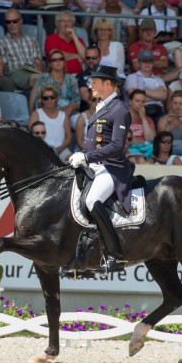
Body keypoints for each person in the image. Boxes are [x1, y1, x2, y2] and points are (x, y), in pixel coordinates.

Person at [68, 65, 131, 272]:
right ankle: (80, 256)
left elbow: (115, 147)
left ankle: (115, 256)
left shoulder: (120, 109)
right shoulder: (102, 106)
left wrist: (86, 156)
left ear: (108, 84)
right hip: (94, 165)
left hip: (111, 168)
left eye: (95, 82)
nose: (91, 85)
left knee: (91, 200)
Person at [0, 9, 44, 92]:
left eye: (14, 21)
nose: (11, 24)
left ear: (21, 21)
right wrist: (0, 66)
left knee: (43, 80)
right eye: (8, 22)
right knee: (43, 79)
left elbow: (39, 63)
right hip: (15, 72)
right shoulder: (1, 43)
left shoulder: (32, 41)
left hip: (32, 70)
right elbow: (3, 66)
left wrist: (39, 65)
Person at [29, 50, 80, 125]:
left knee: (82, 123)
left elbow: (77, 101)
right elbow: (39, 102)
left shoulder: (71, 79)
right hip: (49, 113)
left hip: (70, 113)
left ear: (64, 62)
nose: (58, 62)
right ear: (50, 64)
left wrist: (69, 109)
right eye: (54, 60)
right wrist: (58, 112)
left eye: (61, 59)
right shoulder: (43, 80)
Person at [28, 85, 72, 159]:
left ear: (56, 98)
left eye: (52, 97)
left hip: (61, 150)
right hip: (41, 150)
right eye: (45, 98)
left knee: (76, 163)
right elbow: (31, 136)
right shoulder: (36, 113)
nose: (49, 100)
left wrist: (59, 150)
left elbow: (68, 137)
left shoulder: (63, 115)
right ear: (42, 100)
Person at [124, 49, 167, 123]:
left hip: (159, 111)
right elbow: (133, 96)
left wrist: (141, 91)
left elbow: (163, 96)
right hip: (139, 110)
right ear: (139, 63)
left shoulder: (159, 79)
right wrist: (156, 96)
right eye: (144, 61)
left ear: (153, 63)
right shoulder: (132, 77)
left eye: (150, 61)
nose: (147, 63)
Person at [157, 90, 182, 156]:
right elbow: (162, 142)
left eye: (180, 103)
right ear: (171, 104)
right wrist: (168, 124)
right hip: (168, 149)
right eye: (175, 103)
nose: (178, 106)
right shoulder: (163, 120)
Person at [126, 89, 155, 160]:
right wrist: (143, 142)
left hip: (146, 151)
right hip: (129, 149)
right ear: (130, 101)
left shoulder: (148, 120)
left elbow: (151, 139)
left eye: (143, 102)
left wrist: (143, 118)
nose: (140, 104)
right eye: (137, 101)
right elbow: (124, 139)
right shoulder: (122, 119)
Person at [77, 45, 102, 112]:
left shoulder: (110, 74)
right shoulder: (81, 76)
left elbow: (114, 93)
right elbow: (85, 96)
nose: (91, 60)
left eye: (94, 58)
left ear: (100, 58)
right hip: (87, 112)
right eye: (88, 58)